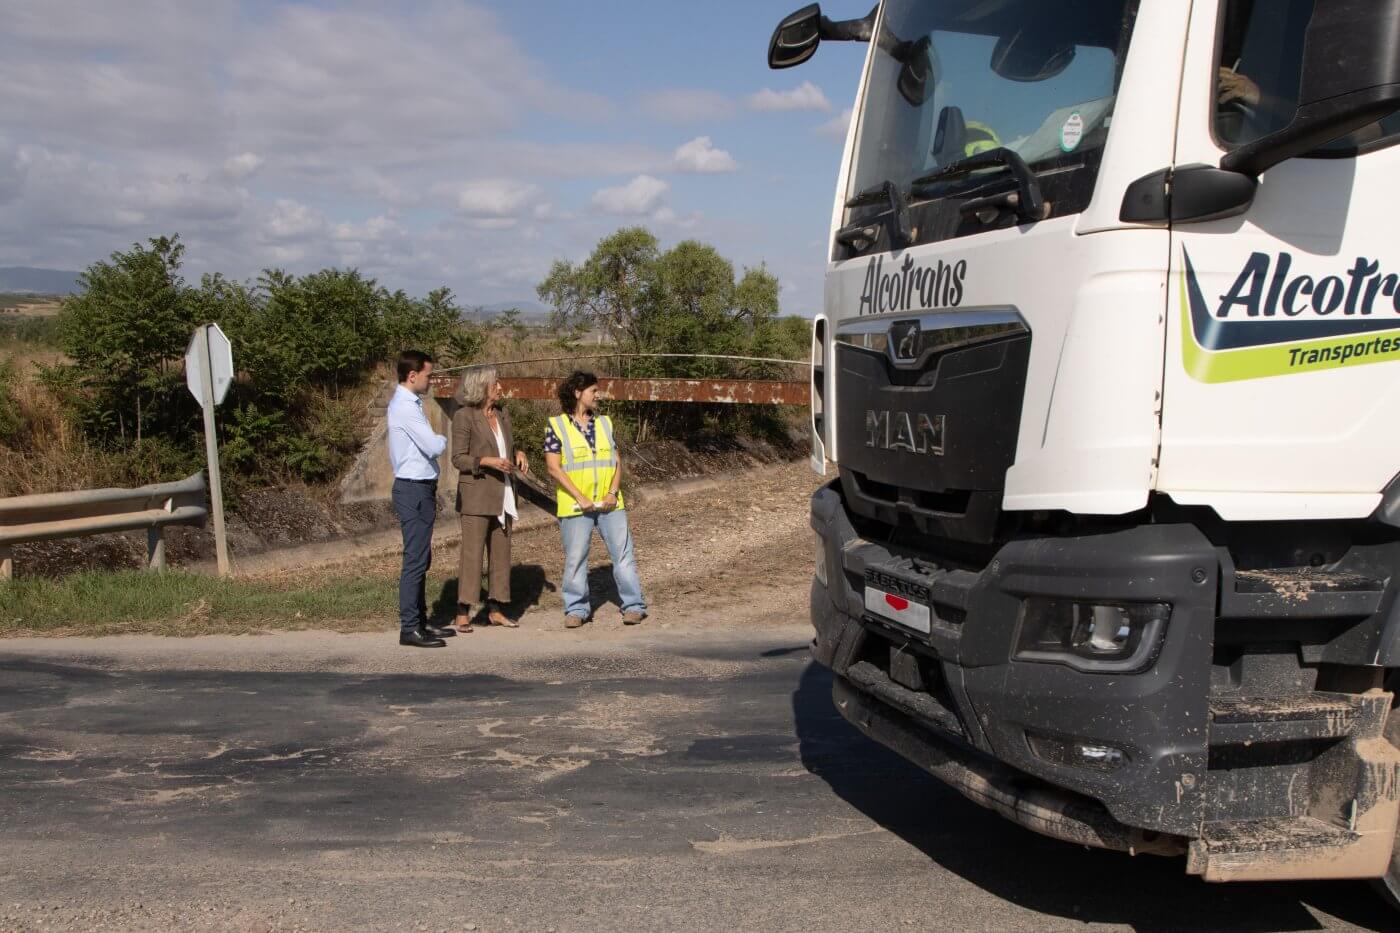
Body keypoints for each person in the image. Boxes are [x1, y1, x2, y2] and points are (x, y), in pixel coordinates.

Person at [544, 371, 648, 629]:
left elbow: (616, 462)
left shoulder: (605, 424)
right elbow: (554, 468)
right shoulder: (556, 426)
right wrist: (580, 497)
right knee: (576, 558)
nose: (598, 394)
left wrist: (613, 492)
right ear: (578, 393)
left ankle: (634, 606)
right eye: (593, 390)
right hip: (576, 506)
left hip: (610, 504)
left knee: (623, 555)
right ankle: (576, 609)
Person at [450, 366, 529, 632]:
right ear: (482, 387)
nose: (500, 386)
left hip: (504, 494)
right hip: (476, 494)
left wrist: (518, 453)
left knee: (501, 554)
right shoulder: (464, 417)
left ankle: (496, 609)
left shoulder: (503, 414)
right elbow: (458, 458)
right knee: (472, 555)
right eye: (495, 383)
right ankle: (463, 611)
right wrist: (487, 462)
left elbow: (507, 444)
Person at [387, 350, 454, 648]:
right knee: (414, 560)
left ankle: (420, 623)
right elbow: (432, 445)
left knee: (421, 558)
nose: (431, 380)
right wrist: (441, 438)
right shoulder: (405, 407)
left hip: (420, 488)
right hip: (413, 488)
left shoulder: (410, 404)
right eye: (428, 374)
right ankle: (410, 627)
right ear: (412, 376)